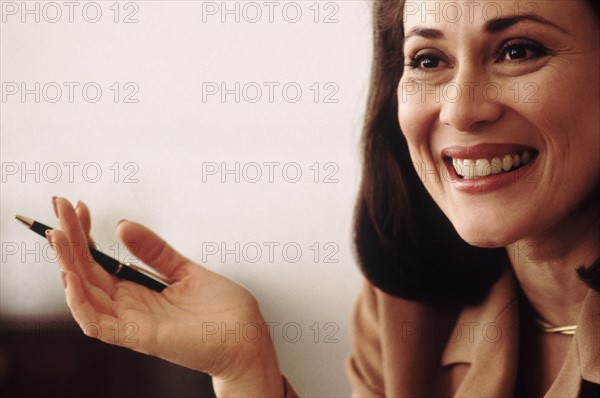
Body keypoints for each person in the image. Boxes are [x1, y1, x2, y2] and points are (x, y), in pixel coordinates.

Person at [48, 0, 599, 396]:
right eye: (429, 60)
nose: (459, 110)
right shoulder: (405, 312)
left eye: (517, 50)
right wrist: (247, 371)